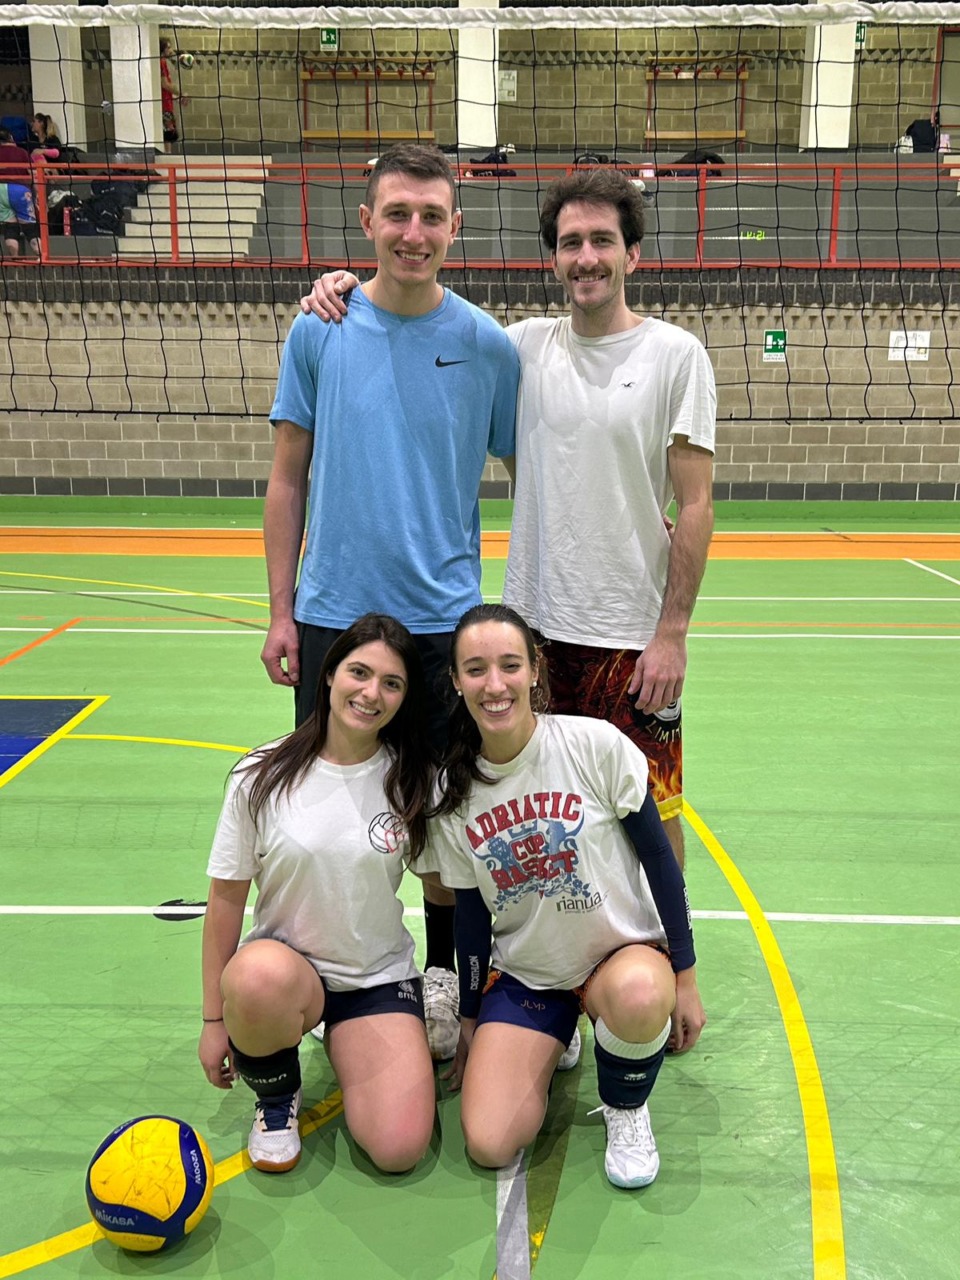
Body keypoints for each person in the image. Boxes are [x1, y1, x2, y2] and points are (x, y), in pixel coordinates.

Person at [301, 168, 716, 897]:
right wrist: (337, 287)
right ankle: (546, 945)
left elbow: (697, 506)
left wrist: (672, 633)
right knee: (532, 811)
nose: (586, 257)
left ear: (633, 254)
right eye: (570, 242)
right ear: (552, 257)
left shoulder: (676, 355)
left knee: (650, 805)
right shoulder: (516, 348)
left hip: (628, 635)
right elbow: (421, 314)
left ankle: (663, 945)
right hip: (533, 634)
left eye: (602, 241)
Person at [263, 142, 520, 1057]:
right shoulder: (319, 329)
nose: (414, 232)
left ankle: (444, 981)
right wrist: (281, 610)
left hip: (441, 626)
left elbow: (536, 473)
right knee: (323, 818)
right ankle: (323, 979)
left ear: (456, 228)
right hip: (334, 617)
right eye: (398, 214)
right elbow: (286, 478)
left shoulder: (488, 345)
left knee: (445, 829)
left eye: (432, 216)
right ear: (367, 221)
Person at [423, 603, 706, 1188]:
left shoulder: (594, 745)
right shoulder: (455, 791)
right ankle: (559, 1035)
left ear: (535, 670)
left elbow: (659, 862)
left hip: (616, 957)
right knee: (489, 1142)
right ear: (456, 681)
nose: (494, 684)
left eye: (509, 665)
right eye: (475, 669)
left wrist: (685, 975)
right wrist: (471, 1016)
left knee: (637, 994)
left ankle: (626, 1105)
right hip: (531, 975)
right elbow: (470, 918)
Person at [199, 613, 437, 1175]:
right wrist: (213, 1021)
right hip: (287, 977)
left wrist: (453, 986)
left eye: (392, 683)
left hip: (374, 980)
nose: (371, 693)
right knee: (256, 979)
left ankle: (345, 1039)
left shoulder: (413, 779)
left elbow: (444, 891)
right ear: (330, 674)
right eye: (360, 672)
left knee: (399, 1149)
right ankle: (276, 1095)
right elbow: (226, 899)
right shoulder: (260, 775)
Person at [159, 40, 180, 152]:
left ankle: (168, 154)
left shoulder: (163, 62)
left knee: (169, 133)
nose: (171, 50)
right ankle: (167, 155)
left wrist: (174, 96)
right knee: (168, 132)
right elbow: (165, 84)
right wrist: (181, 94)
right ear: (163, 49)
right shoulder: (161, 62)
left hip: (167, 102)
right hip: (164, 105)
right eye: (168, 48)